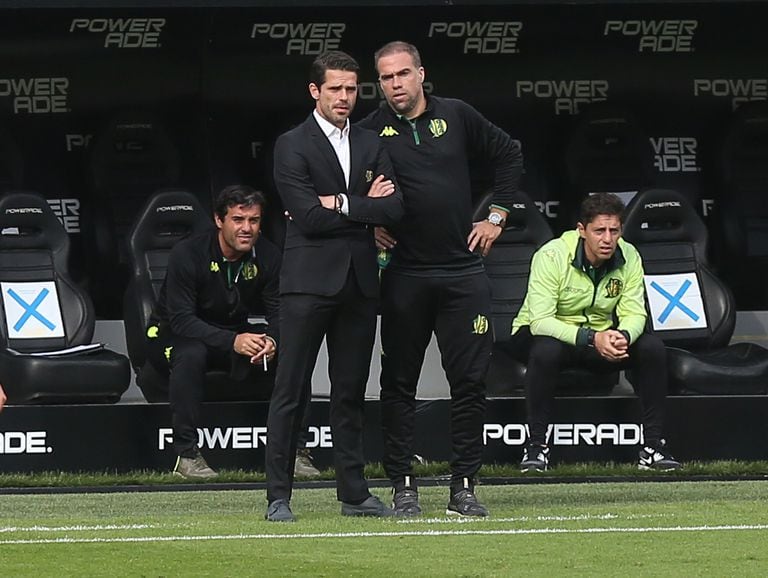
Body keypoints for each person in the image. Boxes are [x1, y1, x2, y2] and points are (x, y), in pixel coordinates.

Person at [358, 41, 523, 518]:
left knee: (470, 383)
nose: (396, 85)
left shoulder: (457, 115)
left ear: (421, 74)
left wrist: (496, 215)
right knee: (398, 384)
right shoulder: (369, 131)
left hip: (462, 273)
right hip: (404, 275)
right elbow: (343, 194)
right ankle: (403, 486)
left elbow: (509, 154)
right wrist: (370, 219)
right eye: (386, 78)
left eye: (403, 74)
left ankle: (464, 486)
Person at [265, 50, 404, 522]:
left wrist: (340, 202)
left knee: (350, 391)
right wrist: (361, 206)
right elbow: (304, 215)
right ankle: (278, 496)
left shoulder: (370, 142)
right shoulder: (292, 144)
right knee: (292, 390)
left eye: (351, 89)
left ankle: (354, 493)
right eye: (335, 89)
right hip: (306, 283)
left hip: (360, 283)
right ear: (315, 91)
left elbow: (394, 209)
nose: (345, 97)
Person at [507, 193, 681, 472]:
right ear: (581, 230)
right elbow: (540, 321)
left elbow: (636, 313)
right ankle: (536, 447)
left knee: (651, 347)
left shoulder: (629, 255)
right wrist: (591, 338)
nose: (607, 239)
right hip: (546, 335)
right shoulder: (551, 255)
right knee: (546, 349)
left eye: (614, 231)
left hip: (599, 338)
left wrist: (623, 335)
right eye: (599, 231)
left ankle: (653, 447)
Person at [143, 185, 281, 480]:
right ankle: (187, 455)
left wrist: (271, 340)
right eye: (238, 220)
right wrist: (234, 341)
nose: (247, 229)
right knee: (191, 352)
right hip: (172, 333)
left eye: (254, 221)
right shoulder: (188, 253)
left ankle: (296, 451)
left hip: (230, 335)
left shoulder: (268, 254)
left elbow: (280, 313)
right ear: (219, 220)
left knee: (290, 350)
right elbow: (181, 320)